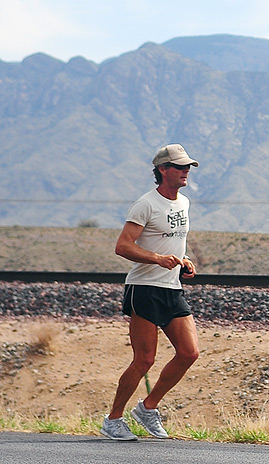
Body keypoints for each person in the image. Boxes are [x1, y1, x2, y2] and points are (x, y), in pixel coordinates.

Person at [100, 143, 200, 441]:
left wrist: (184, 261)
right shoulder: (145, 204)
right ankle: (113, 419)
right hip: (144, 289)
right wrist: (157, 259)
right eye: (179, 167)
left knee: (189, 353)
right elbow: (123, 246)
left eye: (187, 167)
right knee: (144, 360)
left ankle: (147, 408)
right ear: (162, 170)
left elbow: (172, 241)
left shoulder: (184, 203)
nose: (185, 172)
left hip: (172, 287)